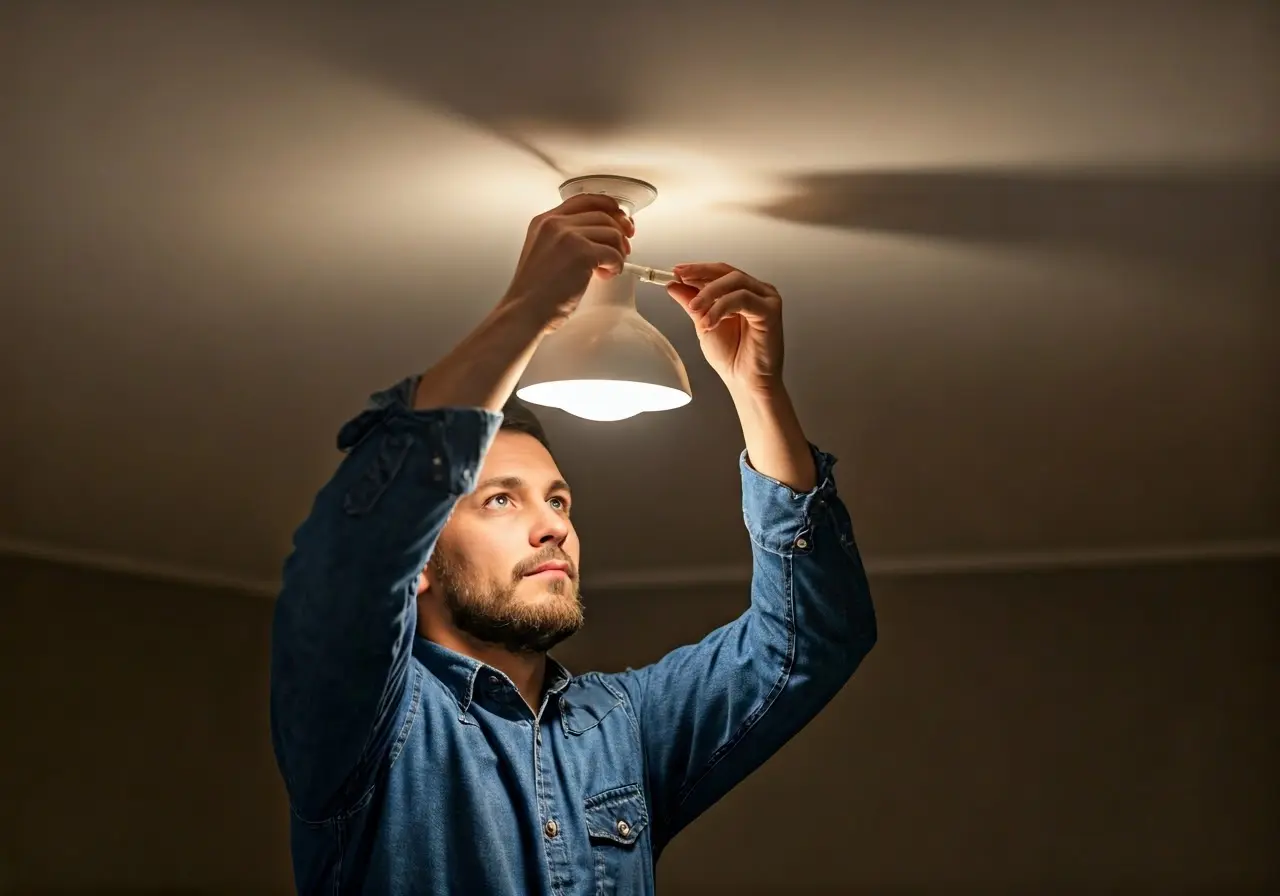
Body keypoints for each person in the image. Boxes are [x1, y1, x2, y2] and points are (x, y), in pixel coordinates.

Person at [269, 192, 877, 895]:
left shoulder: (622, 727)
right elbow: (351, 560)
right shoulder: (367, 717)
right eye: (501, 499)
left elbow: (810, 641)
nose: (554, 524)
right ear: (420, 566)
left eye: (558, 500)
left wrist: (758, 391)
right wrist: (528, 308)